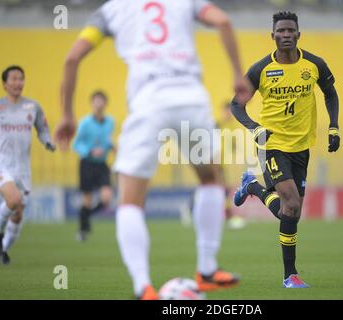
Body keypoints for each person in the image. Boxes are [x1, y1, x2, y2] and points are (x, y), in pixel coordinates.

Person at [55, 0, 252, 299]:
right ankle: (208, 269)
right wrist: (238, 75)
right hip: (191, 97)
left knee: (130, 202)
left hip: (148, 102)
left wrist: (68, 114)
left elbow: (71, 59)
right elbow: (223, 21)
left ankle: (143, 287)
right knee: (210, 180)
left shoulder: (112, 10)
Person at [232, 11, 340, 288]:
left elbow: (330, 93)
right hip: (272, 145)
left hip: (301, 148)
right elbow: (236, 104)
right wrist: (255, 128)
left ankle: (253, 187)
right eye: (281, 31)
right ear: (273, 36)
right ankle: (289, 275)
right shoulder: (260, 70)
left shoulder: (314, 65)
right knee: (291, 205)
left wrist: (334, 127)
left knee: (291, 213)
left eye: (291, 30)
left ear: (298, 34)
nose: (286, 35)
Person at [0, 65, 56, 265]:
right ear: (4, 83)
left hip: (23, 169)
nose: (18, 83)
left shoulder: (33, 107)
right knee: (13, 198)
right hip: (1, 164)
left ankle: (3, 249)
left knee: (17, 214)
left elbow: (42, 129)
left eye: (21, 79)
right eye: (14, 79)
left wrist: (47, 142)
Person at [72, 90, 115, 241]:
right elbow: (76, 144)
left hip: (102, 164)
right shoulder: (85, 123)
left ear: (105, 103)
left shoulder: (110, 122)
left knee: (107, 198)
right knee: (87, 199)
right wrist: (89, 151)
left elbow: (107, 139)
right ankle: (83, 230)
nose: (99, 103)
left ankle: (85, 215)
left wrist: (113, 147)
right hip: (87, 163)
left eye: (101, 100)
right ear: (92, 103)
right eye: (96, 100)